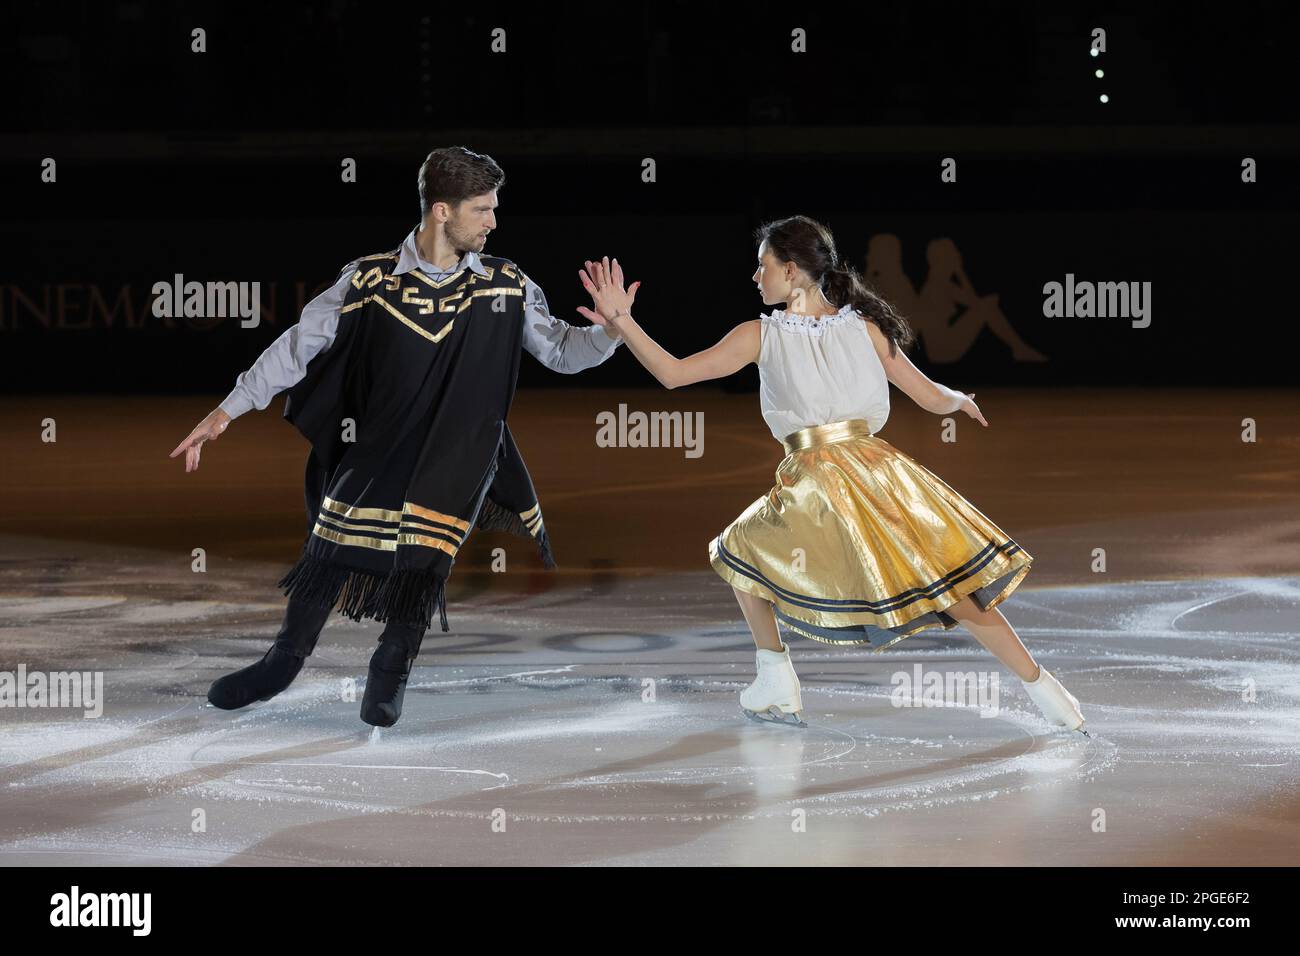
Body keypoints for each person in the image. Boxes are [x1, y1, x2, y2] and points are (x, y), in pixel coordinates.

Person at [574, 216, 1087, 735]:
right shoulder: (863, 327)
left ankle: (775, 674)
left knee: (739, 550)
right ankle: (1048, 692)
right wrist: (962, 400)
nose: (756, 278)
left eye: (763, 267)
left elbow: (673, 373)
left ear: (791, 271)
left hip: (820, 480)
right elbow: (932, 396)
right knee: (948, 586)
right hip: (883, 472)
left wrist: (624, 323)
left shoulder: (761, 334)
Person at [169, 146, 623, 727]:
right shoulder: (370, 279)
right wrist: (226, 412)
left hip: (459, 452)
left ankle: (391, 668)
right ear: (441, 211)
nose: (493, 222)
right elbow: (297, 345)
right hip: (377, 444)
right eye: (482, 210)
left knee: (424, 561)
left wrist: (610, 331)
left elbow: (561, 351)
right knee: (328, 551)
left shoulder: (507, 285)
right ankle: (282, 663)